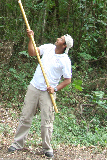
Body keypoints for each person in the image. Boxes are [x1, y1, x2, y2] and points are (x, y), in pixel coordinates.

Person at [8, 29, 73, 158]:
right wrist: (30, 38)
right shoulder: (48, 47)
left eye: (60, 39)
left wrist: (55, 89)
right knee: (25, 116)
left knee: (47, 121)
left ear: (64, 45)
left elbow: (68, 80)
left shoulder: (65, 60)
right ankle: (17, 143)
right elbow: (32, 52)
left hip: (47, 93)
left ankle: (47, 148)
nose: (58, 39)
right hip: (34, 87)